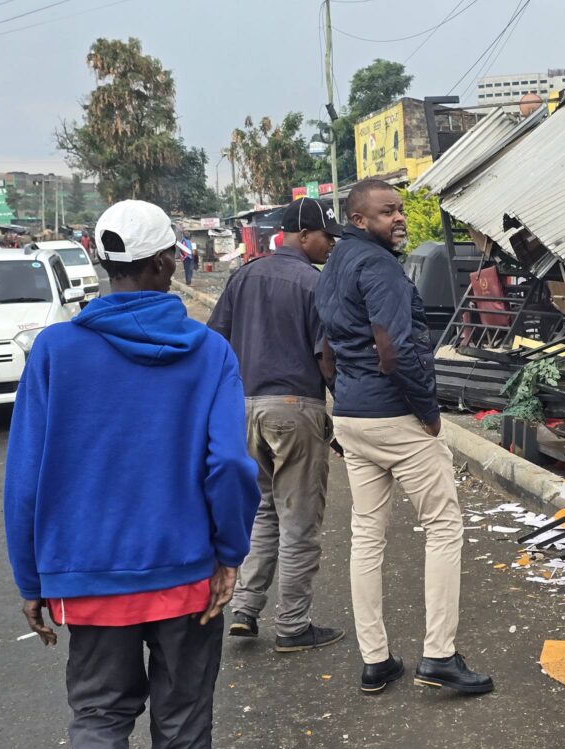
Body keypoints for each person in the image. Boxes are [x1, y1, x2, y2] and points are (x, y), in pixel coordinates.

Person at [4, 199, 260, 749]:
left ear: (100, 259)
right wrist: (228, 554)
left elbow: (24, 479)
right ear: (167, 261)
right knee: (185, 721)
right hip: (186, 575)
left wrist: (31, 580)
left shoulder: (54, 351)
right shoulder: (210, 352)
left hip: (89, 578)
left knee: (97, 718)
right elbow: (231, 468)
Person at [316, 179, 493, 696]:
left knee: (367, 535)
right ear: (357, 219)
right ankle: (438, 655)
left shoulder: (333, 268)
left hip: (352, 416)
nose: (398, 218)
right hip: (396, 416)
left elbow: (323, 353)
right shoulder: (381, 268)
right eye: (385, 212)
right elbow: (394, 351)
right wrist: (429, 413)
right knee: (443, 525)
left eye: (399, 210)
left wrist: (345, 397)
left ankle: (376, 660)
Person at [208, 197, 345, 653]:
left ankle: (245, 610)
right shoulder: (314, 283)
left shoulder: (243, 275)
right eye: (327, 236)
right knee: (300, 520)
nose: (331, 245)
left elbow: (216, 342)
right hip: (294, 409)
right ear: (304, 235)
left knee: (264, 511)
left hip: (245, 409)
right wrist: (342, 412)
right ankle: (292, 625)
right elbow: (326, 357)